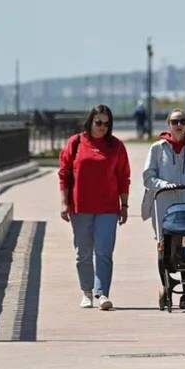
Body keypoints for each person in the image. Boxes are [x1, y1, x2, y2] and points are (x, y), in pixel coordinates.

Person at [58, 104, 130, 310]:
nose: (102, 127)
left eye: (107, 124)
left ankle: (102, 293)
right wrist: (64, 202)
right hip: (80, 207)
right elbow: (64, 173)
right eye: (98, 122)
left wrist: (124, 205)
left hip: (108, 208)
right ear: (90, 121)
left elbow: (123, 177)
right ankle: (86, 292)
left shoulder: (116, 146)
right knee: (83, 253)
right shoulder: (76, 143)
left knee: (104, 252)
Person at [141, 107, 185, 310]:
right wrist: (163, 184)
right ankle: (167, 286)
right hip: (165, 206)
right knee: (165, 248)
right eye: (174, 122)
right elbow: (148, 176)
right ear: (168, 125)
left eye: (182, 121)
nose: (179, 125)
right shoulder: (157, 148)